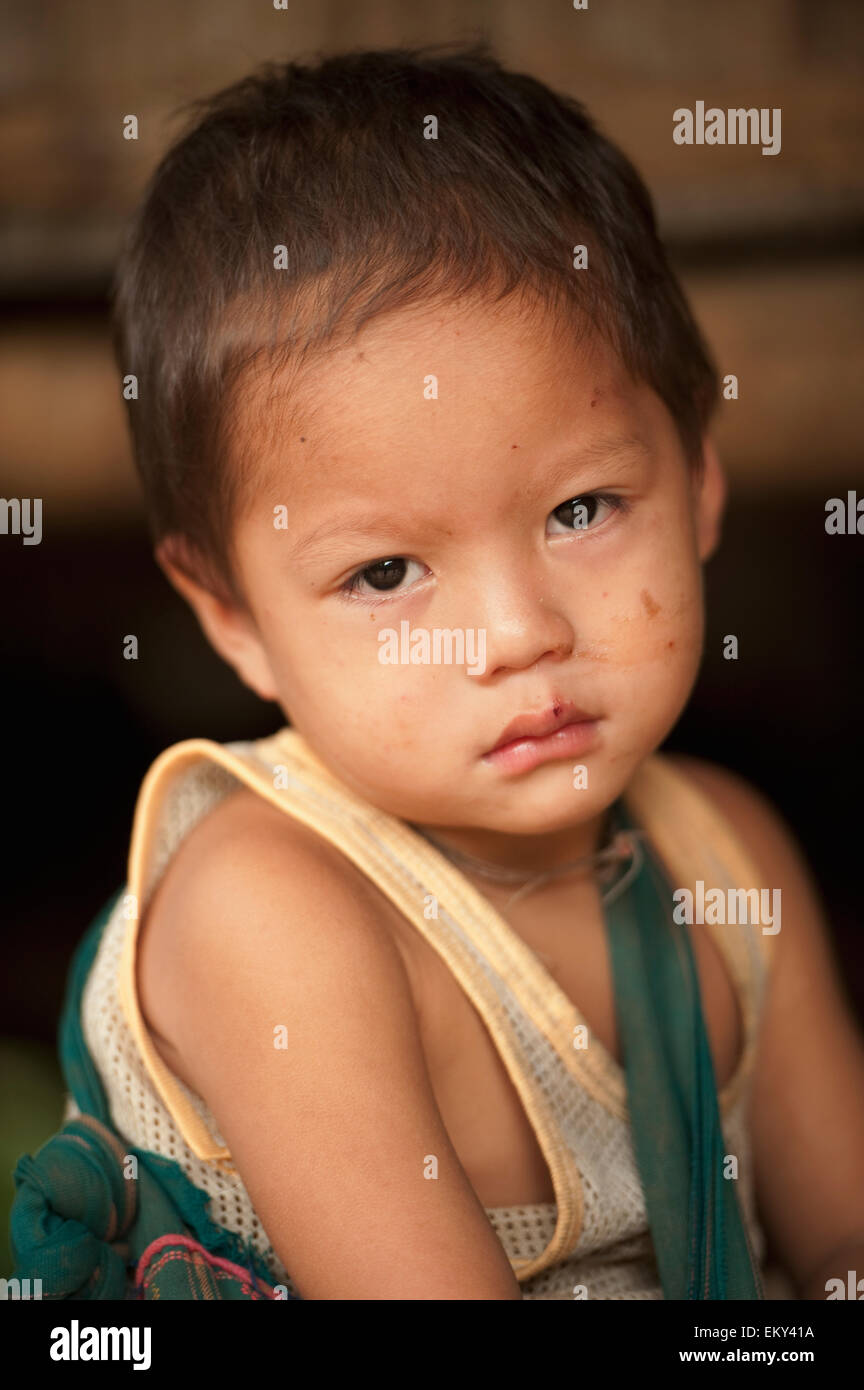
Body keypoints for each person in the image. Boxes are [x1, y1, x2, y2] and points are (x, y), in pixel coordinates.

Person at [20, 42, 864, 1300]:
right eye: (383, 575)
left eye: (581, 508)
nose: (516, 634)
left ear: (697, 480)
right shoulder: (273, 913)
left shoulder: (728, 860)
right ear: (231, 612)